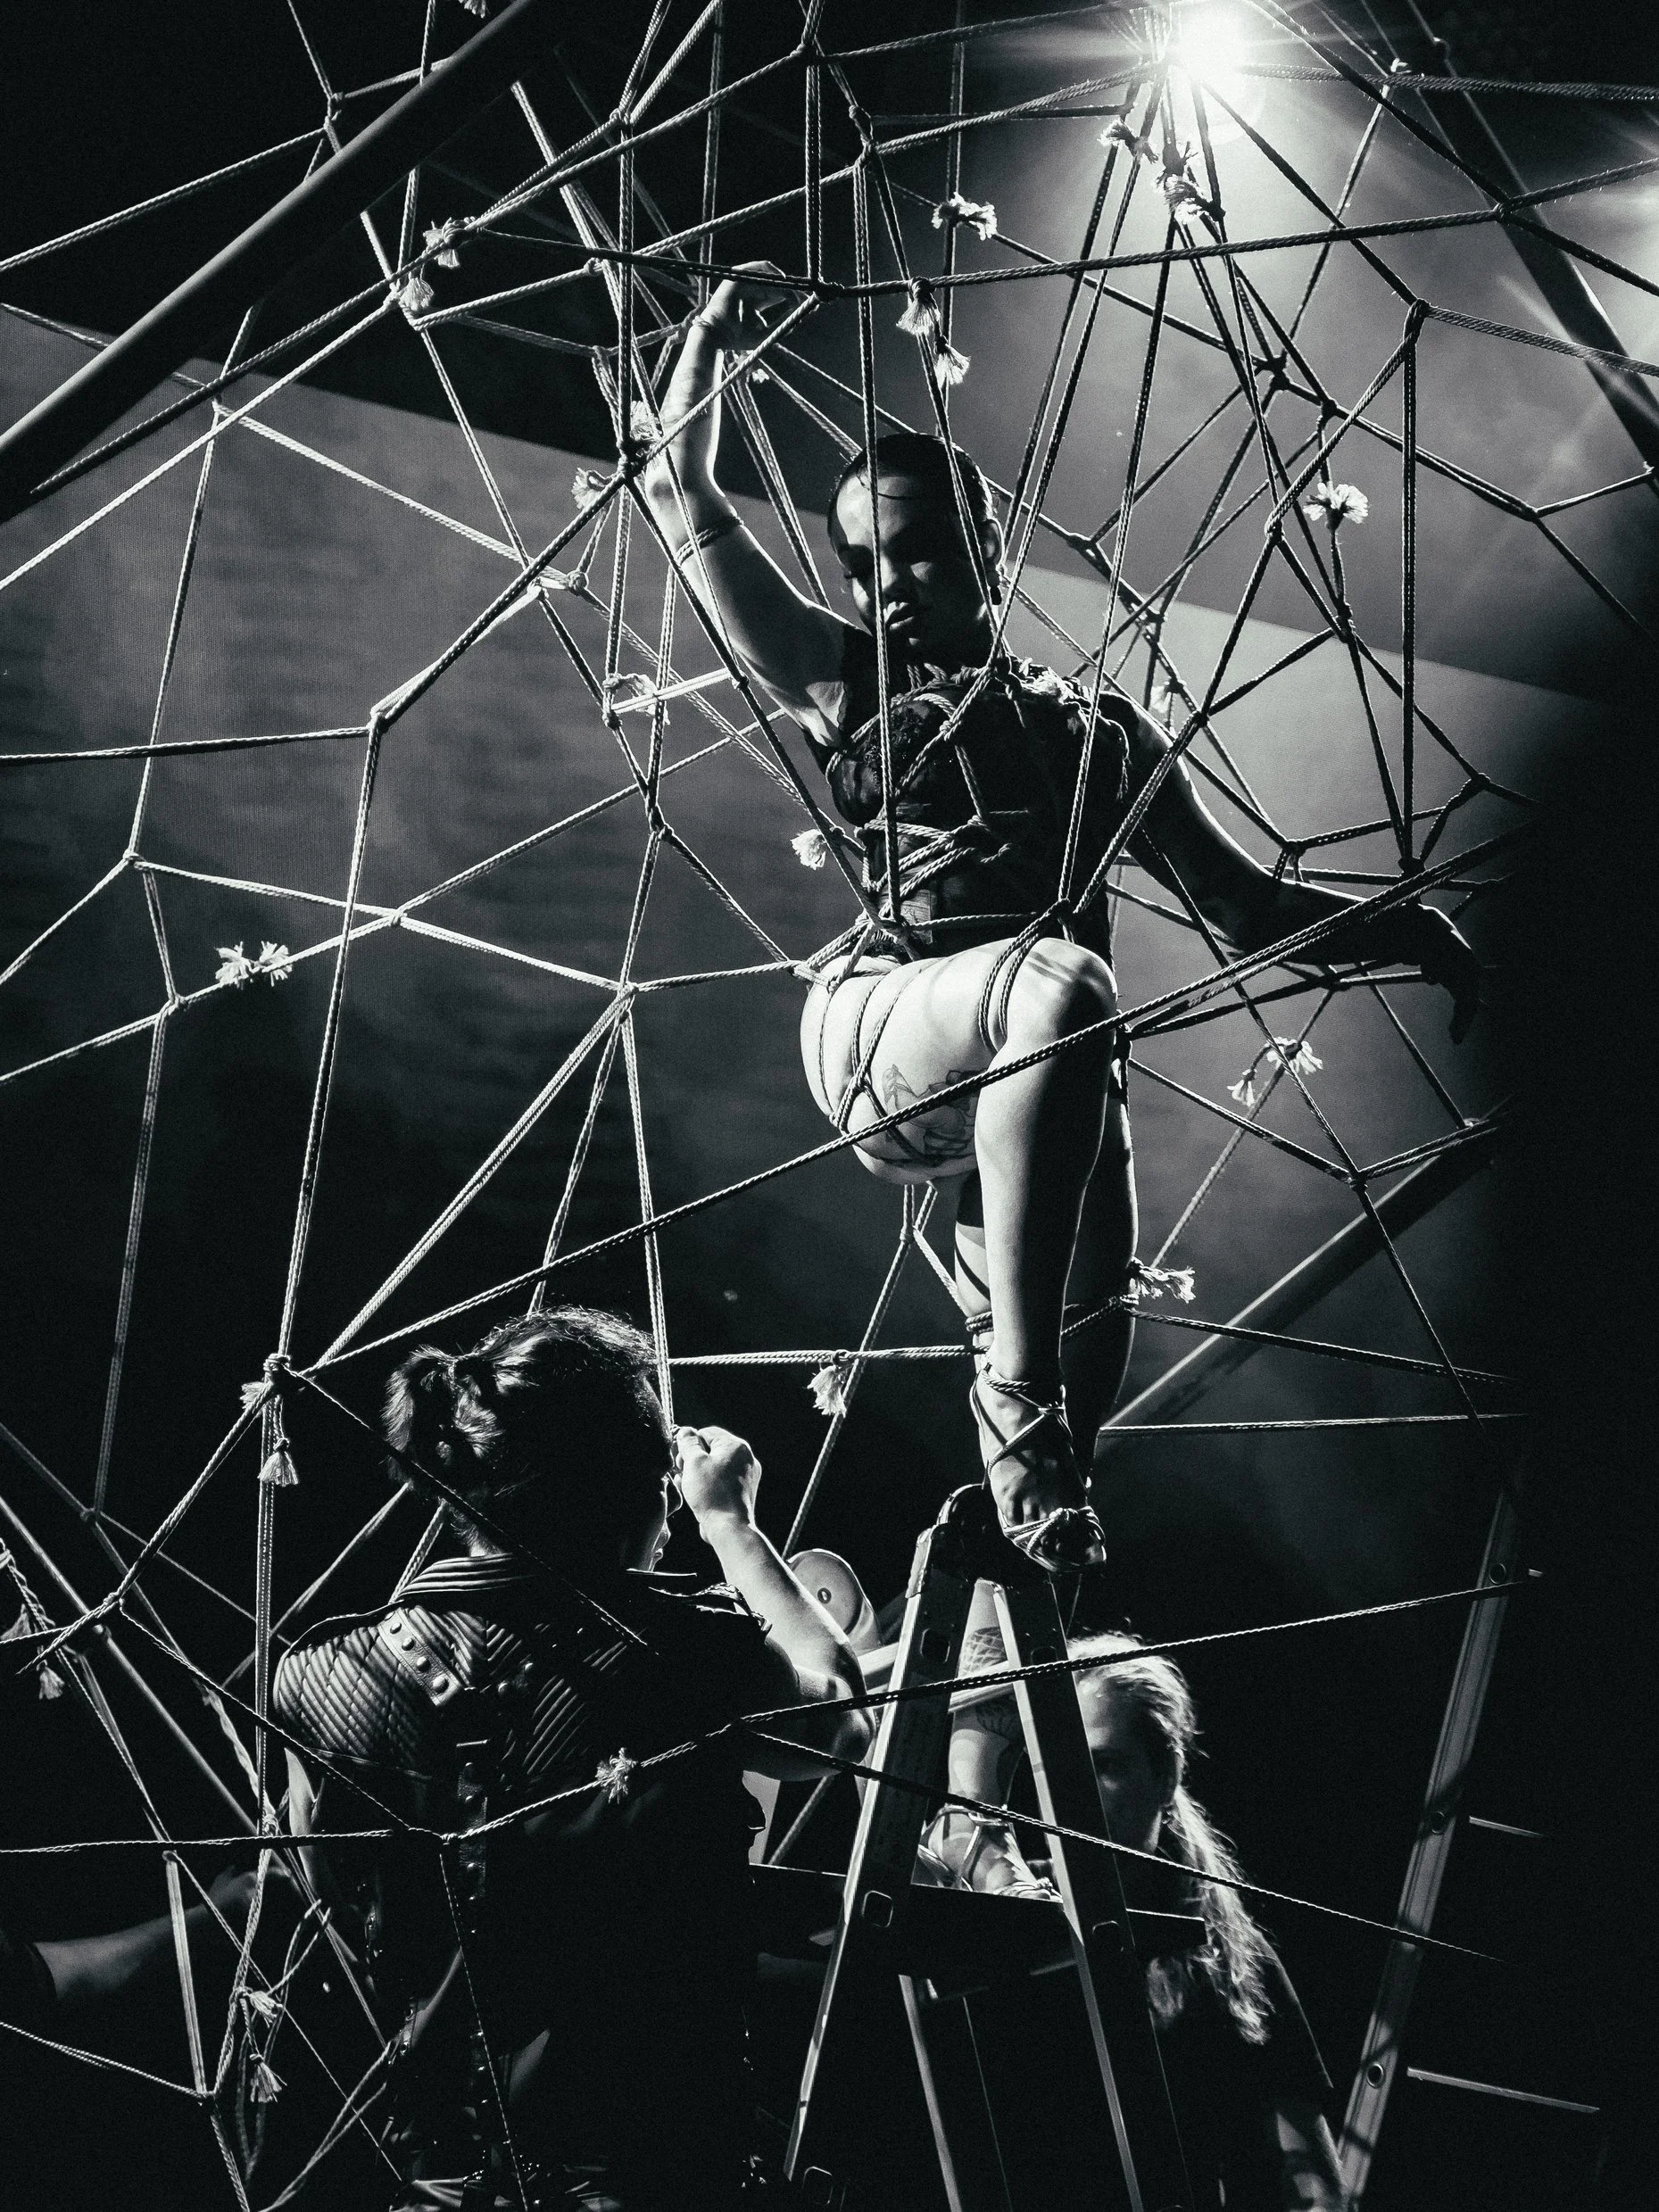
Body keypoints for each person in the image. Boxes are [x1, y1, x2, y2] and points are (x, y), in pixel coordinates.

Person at [643, 271, 1480, 1575]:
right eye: (860, 564)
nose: (884, 586)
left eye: (916, 549)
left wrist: (1411, 929)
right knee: (1064, 983)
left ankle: (1022, 1571)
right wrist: (706, 341)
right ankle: (1017, 1385)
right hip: (888, 1033)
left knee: (1070, 1428)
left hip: (1045, 1070)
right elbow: (675, 491)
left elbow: (1243, 906)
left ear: (985, 542)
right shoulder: (843, 683)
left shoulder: (1097, 730)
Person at [273, 1305, 870, 2212]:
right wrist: (731, 1523)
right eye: (661, 1478)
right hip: (656, 2178)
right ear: (628, 1488)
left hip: (435, 2180)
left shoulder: (317, 1674)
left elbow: (325, 1891)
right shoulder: (679, 1649)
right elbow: (837, 1723)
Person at [921, 1628, 1342, 2209]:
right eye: (1058, 1766)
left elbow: (1315, 2190)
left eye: (1105, 1765)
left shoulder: (1229, 1952)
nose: (1077, 1793)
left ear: (1165, 1776)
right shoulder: (1008, 1910)